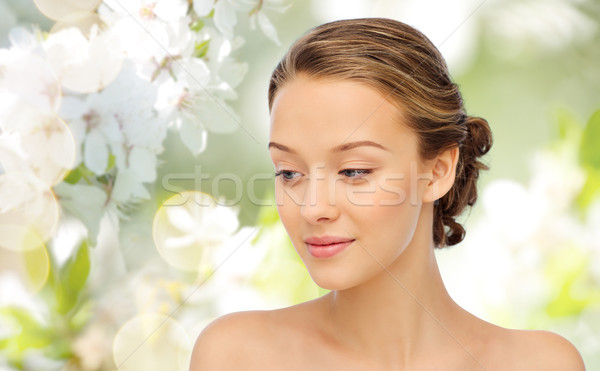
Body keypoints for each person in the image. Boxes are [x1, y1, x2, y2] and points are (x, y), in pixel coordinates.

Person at [190, 18, 585, 370]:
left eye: (355, 171)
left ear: (438, 171)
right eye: (290, 172)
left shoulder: (541, 364)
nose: (312, 208)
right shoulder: (237, 356)